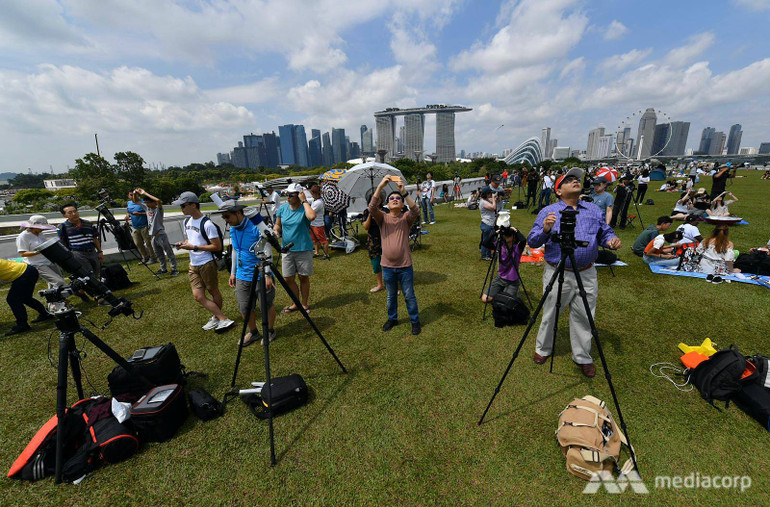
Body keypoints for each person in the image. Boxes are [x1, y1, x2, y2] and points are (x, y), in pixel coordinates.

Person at [527, 167, 622, 378]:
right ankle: (543, 349)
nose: (575, 181)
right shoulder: (548, 211)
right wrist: (545, 229)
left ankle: (582, 356)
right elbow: (532, 241)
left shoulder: (593, 209)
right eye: (568, 180)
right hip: (557, 271)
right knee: (551, 312)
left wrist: (611, 240)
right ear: (558, 190)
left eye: (577, 179)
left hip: (587, 272)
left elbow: (604, 232)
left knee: (585, 315)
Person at [172, 191, 235, 333]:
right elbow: (190, 239)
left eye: (183, 206)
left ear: (193, 205)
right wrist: (184, 244)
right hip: (193, 263)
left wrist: (194, 247)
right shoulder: (186, 221)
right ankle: (220, 317)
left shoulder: (207, 224)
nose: (181, 209)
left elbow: (217, 246)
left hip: (207, 262)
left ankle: (219, 318)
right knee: (198, 296)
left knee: (213, 291)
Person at [368, 175, 422, 335]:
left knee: (409, 295)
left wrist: (403, 191)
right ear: (387, 204)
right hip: (388, 267)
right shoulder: (382, 218)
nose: (395, 199)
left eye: (398, 198)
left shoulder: (406, 218)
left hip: (405, 266)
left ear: (402, 204)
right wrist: (380, 186)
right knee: (391, 296)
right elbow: (372, 208)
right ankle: (392, 319)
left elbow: (416, 211)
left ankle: (415, 321)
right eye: (391, 198)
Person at [220, 202, 277, 347]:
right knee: (244, 307)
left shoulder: (255, 227)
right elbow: (235, 250)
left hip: (260, 274)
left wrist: (267, 275)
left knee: (266, 305)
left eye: (227, 216)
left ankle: (269, 331)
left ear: (239, 213)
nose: (226, 220)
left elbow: (267, 250)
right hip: (242, 275)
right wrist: (233, 272)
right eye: (223, 217)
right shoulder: (233, 229)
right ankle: (253, 332)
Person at [274, 182, 316, 314]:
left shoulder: (305, 208)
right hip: (287, 249)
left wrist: (304, 201)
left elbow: (312, 217)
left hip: (303, 248)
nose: (288, 197)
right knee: (287, 278)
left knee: (303, 277)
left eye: (291, 195)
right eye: (287, 194)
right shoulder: (283, 208)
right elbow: (278, 224)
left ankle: (304, 304)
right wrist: (276, 231)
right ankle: (296, 303)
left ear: (299, 195)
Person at [0, 259, 53, 336]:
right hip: (28, 271)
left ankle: (22, 325)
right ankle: (45, 314)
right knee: (25, 298)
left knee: (13, 300)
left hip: (23, 275)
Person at [134, 188, 178, 276]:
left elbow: (158, 201)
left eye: (148, 202)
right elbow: (136, 201)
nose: (147, 204)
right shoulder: (147, 209)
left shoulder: (158, 210)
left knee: (169, 252)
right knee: (159, 254)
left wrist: (144, 193)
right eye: (146, 203)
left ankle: (174, 269)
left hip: (161, 235)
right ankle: (163, 269)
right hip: (153, 236)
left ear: (153, 203)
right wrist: (135, 193)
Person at [16, 215, 66, 288]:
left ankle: (55, 294)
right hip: (37, 264)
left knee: (59, 280)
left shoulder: (40, 234)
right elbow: (23, 253)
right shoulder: (23, 237)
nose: (43, 229)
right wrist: (38, 252)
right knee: (58, 282)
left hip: (48, 261)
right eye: (41, 227)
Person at [480, 226, 525, 303]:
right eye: (505, 235)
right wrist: (496, 233)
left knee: (507, 303)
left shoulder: (517, 248)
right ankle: (502, 291)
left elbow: (523, 240)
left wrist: (515, 230)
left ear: (513, 237)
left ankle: (509, 292)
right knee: (485, 299)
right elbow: (485, 243)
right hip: (500, 278)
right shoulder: (500, 246)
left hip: (512, 281)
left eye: (509, 235)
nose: (506, 237)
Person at [58, 203, 104, 277]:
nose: (74, 214)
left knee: (97, 272)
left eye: (75, 211)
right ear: (64, 215)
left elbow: (95, 239)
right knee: (88, 274)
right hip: (78, 254)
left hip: (92, 252)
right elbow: (63, 243)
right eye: (70, 212)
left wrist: (100, 252)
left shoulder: (88, 224)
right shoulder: (63, 227)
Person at [125, 190, 157, 265]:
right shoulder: (129, 203)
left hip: (144, 226)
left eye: (134, 195)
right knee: (138, 243)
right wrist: (127, 216)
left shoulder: (143, 202)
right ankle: (145, 257)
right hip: (135, 227)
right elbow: (128, 211)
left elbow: (150, 212)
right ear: (128, 196)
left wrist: (140, 213)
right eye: (131, 195)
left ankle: (153, 258)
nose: (133, 196)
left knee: (148, 243)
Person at [362, 208, 384, 293]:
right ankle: (380, 284)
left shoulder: (385, 210)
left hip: (386, 238)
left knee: (390, 263)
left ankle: (392, 285)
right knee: (376, 263)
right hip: (373, 240)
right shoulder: (367, 211)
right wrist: (370, 215)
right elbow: (366, 227)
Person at [308, 184, 330, 260]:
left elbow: (310, 212)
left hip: (318, 225)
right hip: (313, 224)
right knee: (315, 240)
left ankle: (326, 254)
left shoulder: (319, 202)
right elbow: (308, 201)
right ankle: (316, 252)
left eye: (312, 193)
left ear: (317, 194)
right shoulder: (315, 200)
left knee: (323, 240)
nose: (312, 195)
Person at [479, 187, 499, 261]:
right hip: (487, 224)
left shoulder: (485, 200)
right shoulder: (483, 202)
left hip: (489, 224)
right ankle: (484, 255)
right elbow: (493, 207)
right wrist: (493, 198)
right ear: (487, 194)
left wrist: (495, 198)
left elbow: (494, 203)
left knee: (491, 240)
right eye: (490, 193)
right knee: (486, 241)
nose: (491, 194)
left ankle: (488, 254)